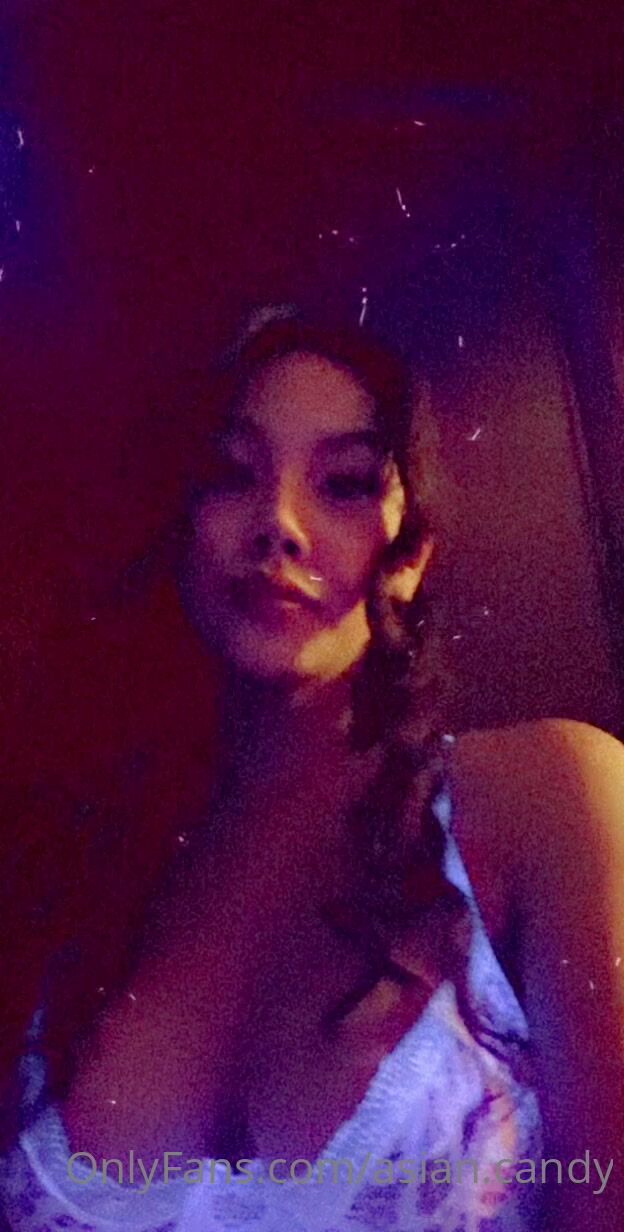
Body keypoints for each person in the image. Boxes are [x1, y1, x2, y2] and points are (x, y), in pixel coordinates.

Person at [0, 305, 622, 1232]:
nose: (279, 524)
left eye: (344, 483)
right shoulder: (79, 874)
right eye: (232, 473)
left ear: (412, 555)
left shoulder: (546, 797)